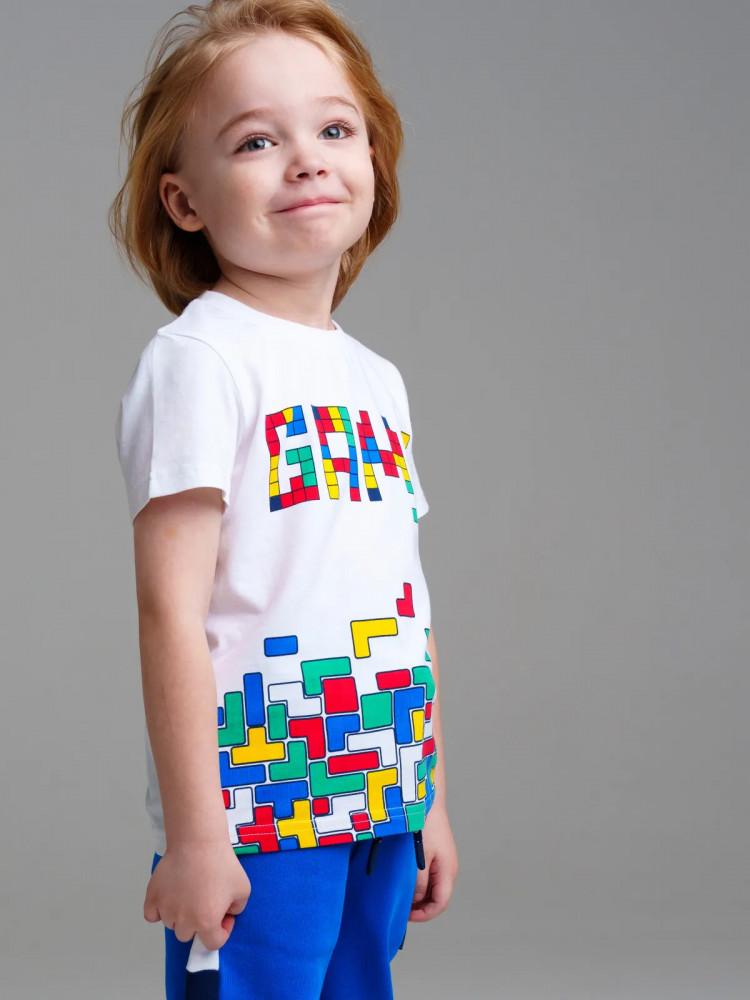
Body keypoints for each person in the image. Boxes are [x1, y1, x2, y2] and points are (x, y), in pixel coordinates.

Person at [110, 2, 458, 997]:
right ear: (185, 201)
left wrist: (429, 797)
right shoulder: (201, 360)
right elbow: (170, 609)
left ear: (373, 159)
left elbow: (404, 598)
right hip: (260, 804)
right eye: (257, 141)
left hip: (383, 785)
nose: (307, 160)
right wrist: (196, 834)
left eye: (335, 129)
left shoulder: (377, 379)